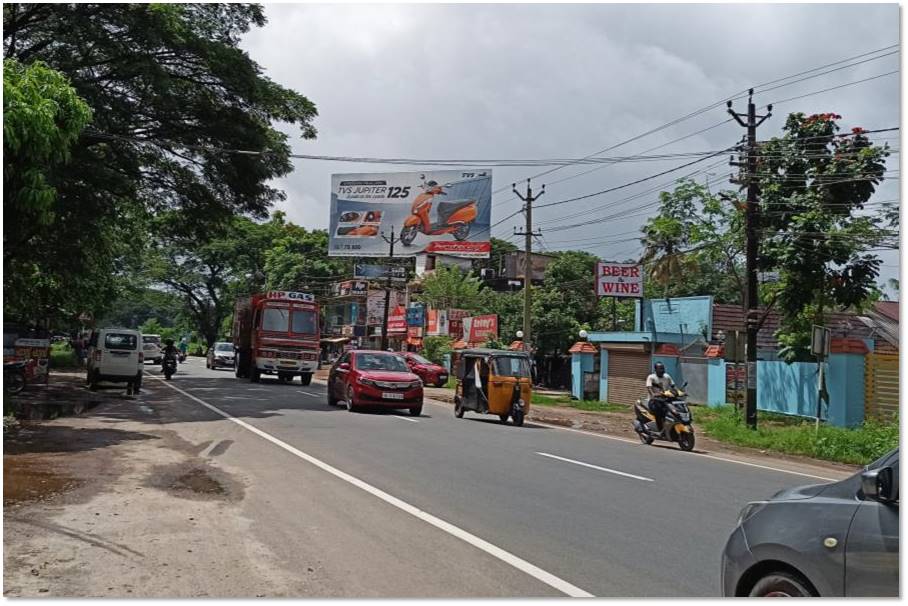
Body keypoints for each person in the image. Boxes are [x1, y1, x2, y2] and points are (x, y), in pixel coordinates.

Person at [645, 362, 676, 431]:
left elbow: (673, 386)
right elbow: (649, 387)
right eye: (660, 369)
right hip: (654, 401)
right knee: (659, 413)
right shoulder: (651, 377)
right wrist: (653, 394)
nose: (662, 370)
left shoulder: (667, 376)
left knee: (674, 411)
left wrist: (677, 392)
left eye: (663, 368)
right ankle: (660, 429)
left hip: (665, 400)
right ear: (655, 370)